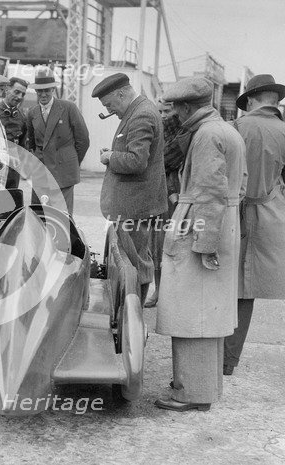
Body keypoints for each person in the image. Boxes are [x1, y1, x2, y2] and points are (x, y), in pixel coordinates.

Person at [155, 77, 247, 412]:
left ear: (186, 106)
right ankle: (203, 388)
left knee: (192, 315)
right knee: (209, 314)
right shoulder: (225, 130)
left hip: (202, 229)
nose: (174, 113)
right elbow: (238, 184)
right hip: (222, 224)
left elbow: (209, 192)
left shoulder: (207, 135)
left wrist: (205, 243)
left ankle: (190, 393)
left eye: (176, 107)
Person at [223, 74, 285, 375]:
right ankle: (229, 361)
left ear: (249, 100)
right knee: (247, 291)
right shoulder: (284, 131)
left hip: (230, 211)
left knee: (221, 281)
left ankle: (212, 355)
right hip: (268, 215)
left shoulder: (235, 127)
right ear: (275, 100)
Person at [92, 73, 167, 300]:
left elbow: (137, 161)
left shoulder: (141, 115)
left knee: (134, 263)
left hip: (135, 206)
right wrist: (114, 154)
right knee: (131, 260)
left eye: (110, 104)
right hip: (133, 204)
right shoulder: (139, 110)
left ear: (121, 93)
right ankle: (130, 313)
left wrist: (111, 157)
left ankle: (133, 316)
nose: (110, 110)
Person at [27, 69, 90, 215]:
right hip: (41, 171)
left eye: (47, 90)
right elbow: (32, 144)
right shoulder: (32, 113)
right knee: (39, 215)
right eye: (39, 91)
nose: (43, 94)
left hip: (63, 172)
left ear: (53, 89)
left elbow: (83, 140)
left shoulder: (68, 108)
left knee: (62, 216)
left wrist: (70, 160)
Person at [145, 99, 186, 307]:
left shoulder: (184, 134)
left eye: (167, 111)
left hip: (178, 197)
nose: (162, 115)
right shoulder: (159, 132)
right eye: (159, 111)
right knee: (157, 246)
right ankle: (160, 291)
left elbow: (162, 160)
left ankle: (171, 293)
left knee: (174, 246)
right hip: (159, 195)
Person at [0, 77, 29, 149]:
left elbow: (22, 147)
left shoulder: (22, 117)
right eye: (17, 92)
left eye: (23, 94)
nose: (19, 97)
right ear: (7, 90)